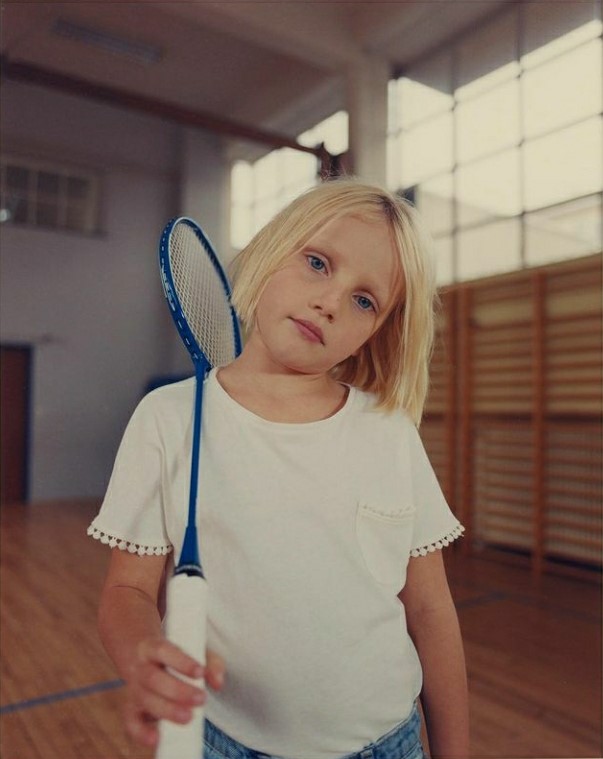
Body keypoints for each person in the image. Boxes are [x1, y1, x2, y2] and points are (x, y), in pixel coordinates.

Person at [89, 178, 469, 759]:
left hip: (386, 744)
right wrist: (141, 653)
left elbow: (429, 609)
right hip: (223, 742)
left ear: (375, 332)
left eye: (364, 301)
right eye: (317, 263)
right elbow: (128, 588)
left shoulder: (389, 432)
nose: (330, 302)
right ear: (271, 249)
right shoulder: (167, 418)